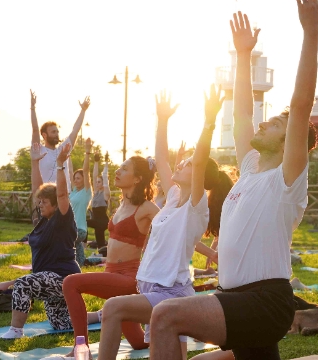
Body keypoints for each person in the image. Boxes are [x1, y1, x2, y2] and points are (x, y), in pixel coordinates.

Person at [146, 5, 318, 359]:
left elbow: (301, 103)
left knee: (164, 315)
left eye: (272, 123)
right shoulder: (250, 168)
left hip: (263, 301)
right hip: (233, 296)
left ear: (290, 140)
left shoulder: (286, 180)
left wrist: (310, 32)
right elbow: (242, 112)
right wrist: (243, 55)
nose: (261, 124)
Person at [97, 85, 231, 359]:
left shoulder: (196, 205)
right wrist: (162, 120)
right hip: (152, 286)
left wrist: (209, 122)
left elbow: (202, 157)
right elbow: (161, 158)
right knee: (170, 354)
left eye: (189, 164)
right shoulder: (171, 198)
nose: (181, 165)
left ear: (200, 175)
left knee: (112, 308)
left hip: (170, 291)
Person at [60, 153, 160, 356]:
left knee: (71, 283)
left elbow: (173, 229)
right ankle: (168, 333)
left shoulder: (147, 207)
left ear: (137, 178)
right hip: (111, 275)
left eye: (124, 169)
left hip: (127, 278)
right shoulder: (122, 204)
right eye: (119, 167)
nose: (118, 171)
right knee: (139, 343)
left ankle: (81, 347)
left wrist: (210, 252)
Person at [0, 143, 82, 338]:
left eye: (45, 201)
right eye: (40, 201)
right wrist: (35, 162)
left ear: (55, 204)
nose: (40, 204)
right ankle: (103, 315)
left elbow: (61, 194)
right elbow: (38, 189)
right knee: (61, 324)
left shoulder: (62, 219)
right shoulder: (42, 221)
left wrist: (60, 164)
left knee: (22, 284)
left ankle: (15, 330)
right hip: (47, 279)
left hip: (64, 278)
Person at [30, 89, 91, 191]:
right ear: (44, 135)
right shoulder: (39, 150)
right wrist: (32, 108)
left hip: (64, 197)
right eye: (53, 132)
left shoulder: (63, 149)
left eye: (57, 132)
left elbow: (75, 131)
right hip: (47, 197)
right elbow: (35, 129)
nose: (57, 134)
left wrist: (83, 110)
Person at [69, 138, 93, 267]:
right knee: (81, 260)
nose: (76, 180)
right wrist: (67, 155)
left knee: (62, 241)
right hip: (71, 228)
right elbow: (69, 170)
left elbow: (86, 170)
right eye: (75, 178)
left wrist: (87, 152)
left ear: (84, 179)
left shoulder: (86, 192)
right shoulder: (74, 191)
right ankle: (97, 260)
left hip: (79, 230)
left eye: (78, 178)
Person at [86, 151, 111, 255]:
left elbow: (105, 177)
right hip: (95, 220)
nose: (97, 183)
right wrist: (96, 162)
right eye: (96, 182)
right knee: (82, 222)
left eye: (99, 182)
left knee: (99, 233)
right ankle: (83, 243)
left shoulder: (105, 193)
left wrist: (105, 162)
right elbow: (94, 175)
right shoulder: (95, 192)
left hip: (103, 221)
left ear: (103, 183)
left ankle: (102, 251)